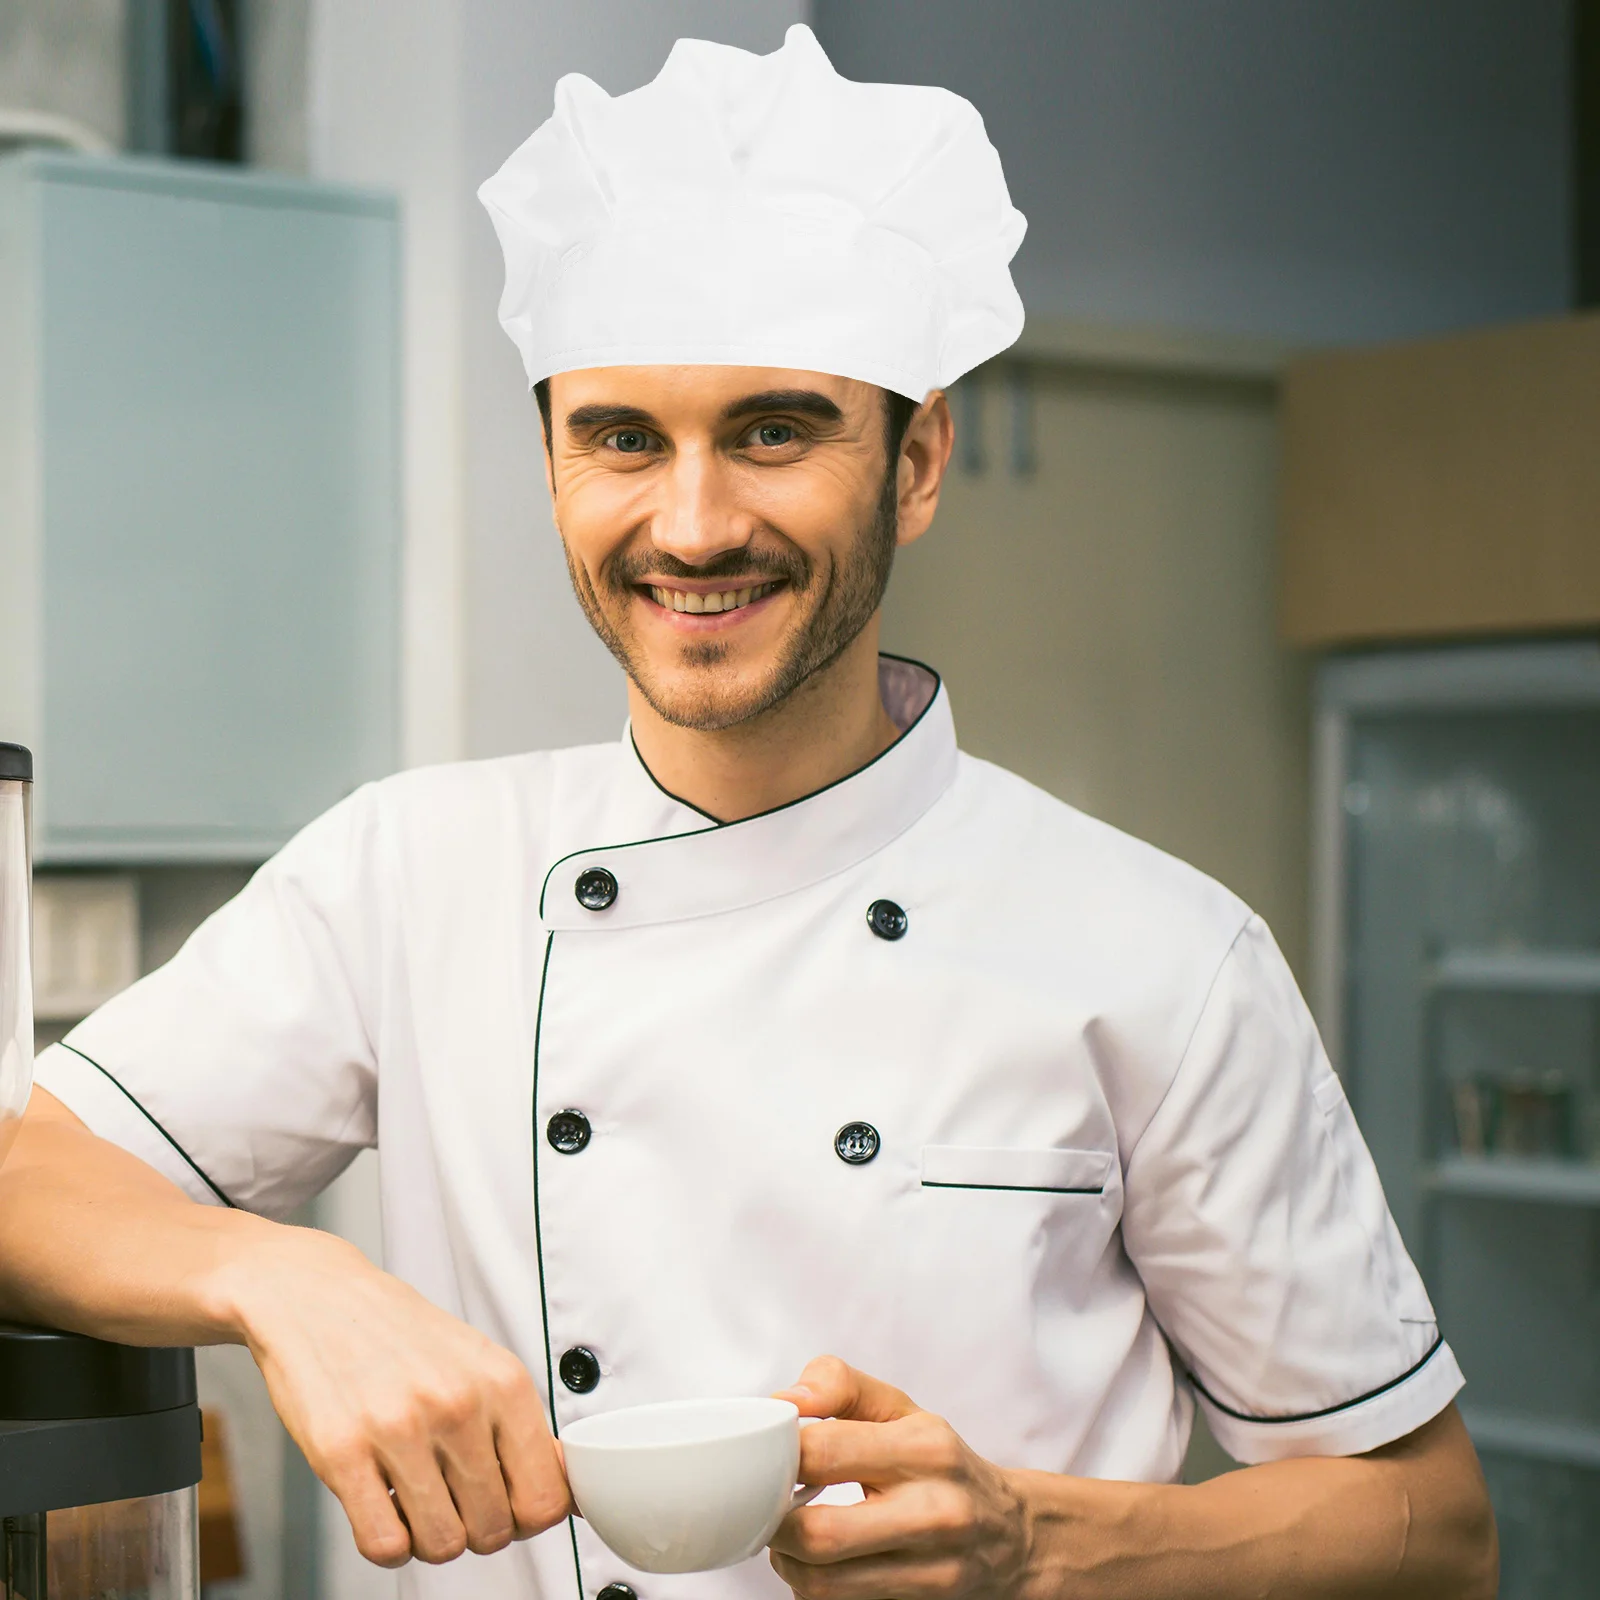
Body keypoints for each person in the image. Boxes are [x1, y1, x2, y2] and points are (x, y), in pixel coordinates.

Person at [0, 25, 1494, 1600]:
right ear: (553, 462)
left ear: (916, 461)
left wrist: (1035, 1540)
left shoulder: (1165, 955)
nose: (694, 523)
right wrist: (280, 1275)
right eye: (622, 439)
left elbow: (1433, 1529)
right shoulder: (410, 872)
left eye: (774, 430)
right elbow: (22, 1174)